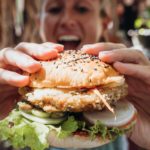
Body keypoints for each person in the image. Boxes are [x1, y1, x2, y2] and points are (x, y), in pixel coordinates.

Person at [0, 0, 150, 150]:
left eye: (82, 9)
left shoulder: (131, 91)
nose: (67, 20)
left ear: (104, 23)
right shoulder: (15, 82)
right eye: (54, 9)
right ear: (39, 22)